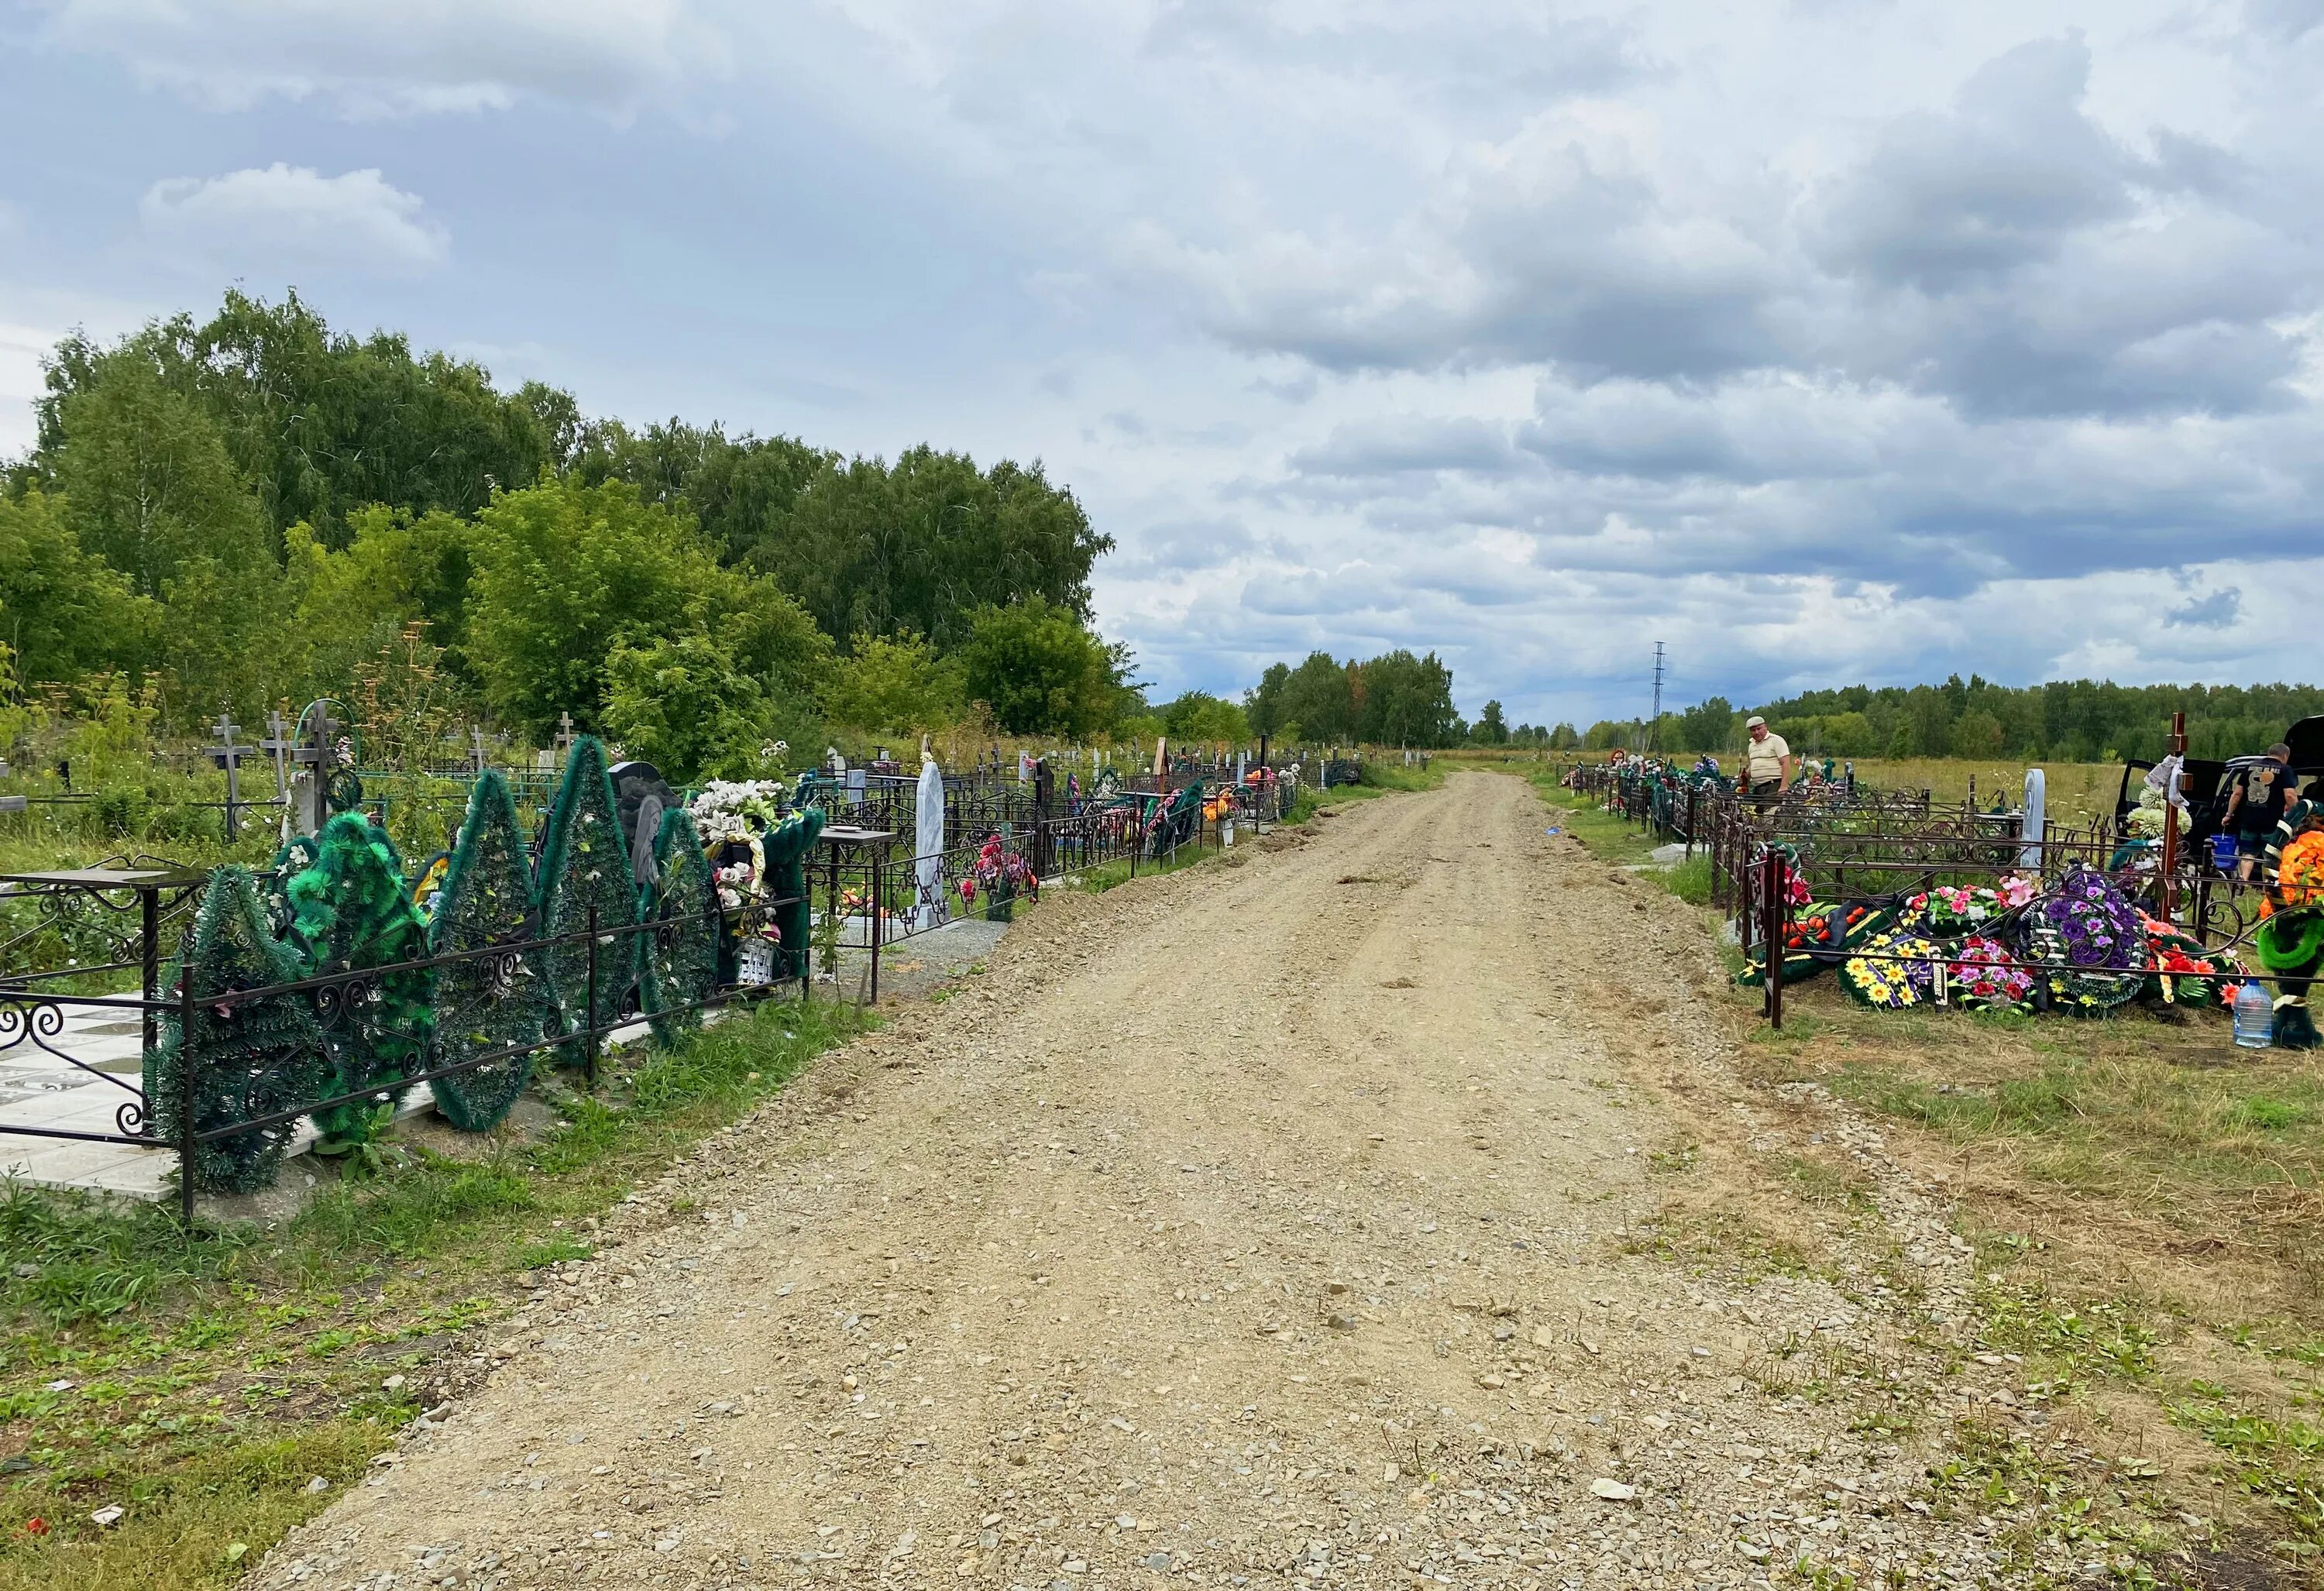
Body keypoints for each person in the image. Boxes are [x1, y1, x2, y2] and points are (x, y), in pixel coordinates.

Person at [2223, 743, 2297, 881]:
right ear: (2285, 755)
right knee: (2270, 857)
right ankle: (2267, 889)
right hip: (2272, 823)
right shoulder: (2285, 770)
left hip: (2248, 821)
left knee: (2247, 854)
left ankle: (2242, 882)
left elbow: (2237, 794)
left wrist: (2229, 814)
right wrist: (2297, 816)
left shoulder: (2249, 767)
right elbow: (2290, 796)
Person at [1739, 716, 1793, 797]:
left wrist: (1784, 787)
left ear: (1765, 727)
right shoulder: (1751, 745)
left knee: (1771, 809)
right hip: (1758, 788)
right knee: (1753, 809)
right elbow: (1754, 765)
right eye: (1753, 730)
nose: (1757, 732)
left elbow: (1786, 763)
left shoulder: (1776, 740)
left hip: (1774, 785)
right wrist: (1745, 776)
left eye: (1759, 729)